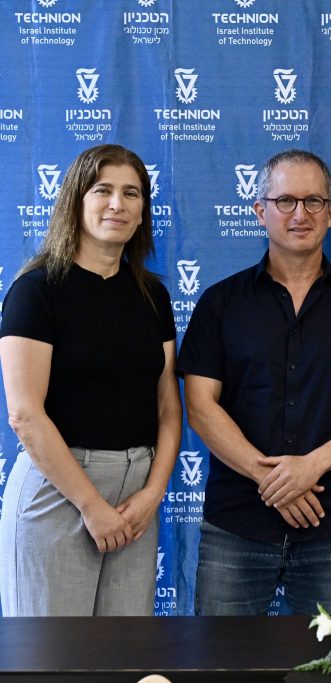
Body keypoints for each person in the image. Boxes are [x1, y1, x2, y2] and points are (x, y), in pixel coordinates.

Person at [178, 149, 331, 615]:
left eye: (314, 201)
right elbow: (201, 407)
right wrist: (275, 480)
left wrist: (312, 466)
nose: (300, 214)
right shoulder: (220, 303)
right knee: (221, 666)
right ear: (260, 211)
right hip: (236, 524)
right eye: (285, 201)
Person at [0, 144, 181, 616]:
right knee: (51, 661)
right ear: (75, 201)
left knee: (122, 658)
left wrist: (151, 494)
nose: (117, 204)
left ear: (143, 212)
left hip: (136, 498)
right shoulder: (36, 291)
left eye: (132, 193)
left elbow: (167, 407)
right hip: (58, 490)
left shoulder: (154, 297)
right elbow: (24, 414)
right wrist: (92, 506)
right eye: (103, 190)